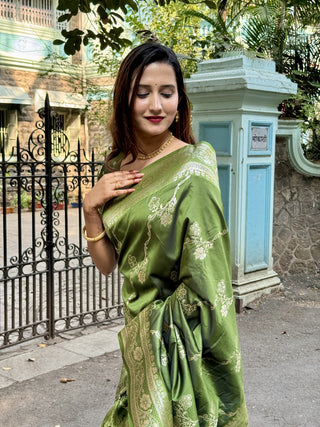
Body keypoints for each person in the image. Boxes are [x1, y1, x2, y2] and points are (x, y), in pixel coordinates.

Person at [82, 41, 248, 426]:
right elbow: (109, 265)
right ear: (126, 99)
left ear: (179, 101)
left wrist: (156, 327)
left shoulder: (193, 167)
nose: (156, 105)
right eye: (143, 93)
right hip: (137, 332)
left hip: (175, 339)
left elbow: (209, 280)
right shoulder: (115, 166)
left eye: (166, 93)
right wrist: (91, 208)